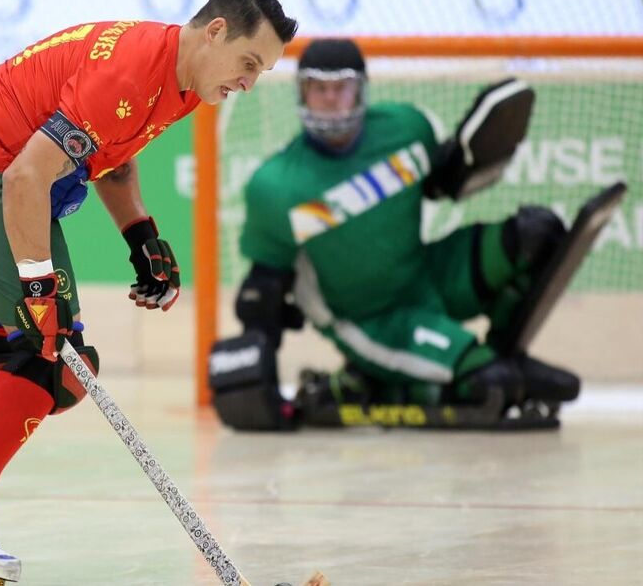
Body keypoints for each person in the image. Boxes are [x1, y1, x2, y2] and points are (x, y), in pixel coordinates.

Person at [0, 0, 297, 585]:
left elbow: (112, 154)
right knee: (54, 360)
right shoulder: (131, 72)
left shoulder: (177, 71)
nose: (248, 83)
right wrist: (39, 289)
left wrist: (140, 234)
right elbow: (26, 178)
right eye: (248, 63)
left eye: (261, 73)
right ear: (217, 31)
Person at [232, 37, 580, 427]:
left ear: (361, 90)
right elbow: (262, 293)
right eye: (319, 88)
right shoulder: (275, 188)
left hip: (427, 275)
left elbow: (444, 186)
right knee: (493, 383)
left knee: (537, 234)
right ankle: (378, 380)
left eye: (342, 87)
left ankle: (500, 357)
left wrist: (468, 161)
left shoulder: (407, 129)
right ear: (302, 93)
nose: (330, 99)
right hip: (372, 322)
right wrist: (258, 384)